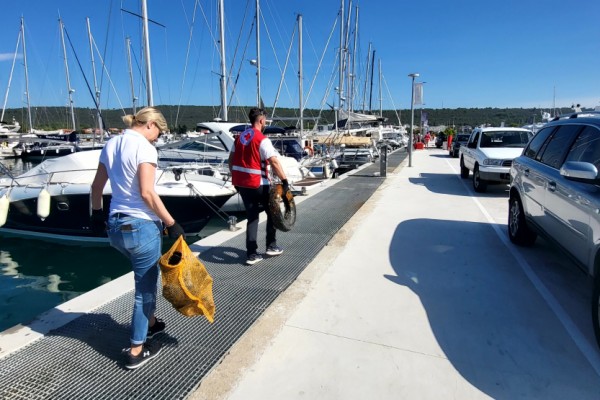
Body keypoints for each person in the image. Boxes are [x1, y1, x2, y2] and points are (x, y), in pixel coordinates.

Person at [90, 106, 185, 370]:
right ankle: (136, 349)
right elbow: (147, 193)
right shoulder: (144, 147)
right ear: (150, 125)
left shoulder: (111, 144)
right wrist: (171, 223)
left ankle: (151, 323)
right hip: (140, 226)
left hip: (115, 226)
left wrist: (96, 215)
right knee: (145, 290)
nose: (157, 138)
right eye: (159, 132)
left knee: (142, 277)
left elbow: (96, 187)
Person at [228, 107, 288, 265]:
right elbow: (274, 161)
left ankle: (252, 254)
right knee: (273, 213)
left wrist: (235, 178)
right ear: (261, 120)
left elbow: (231, 160)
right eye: (265, 120)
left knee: (252, 217)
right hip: (259, 184)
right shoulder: (262, 139)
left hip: (243, 184)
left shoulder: (240, 137)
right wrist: (285, 181)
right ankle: (271, 245)